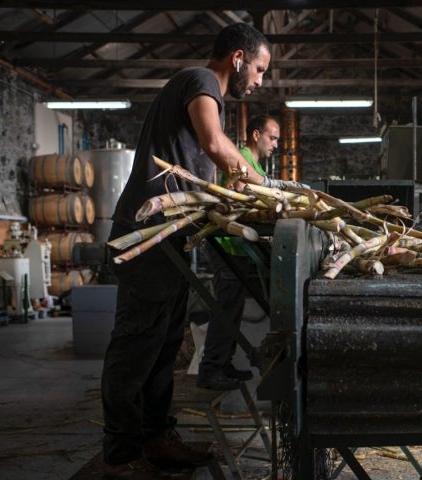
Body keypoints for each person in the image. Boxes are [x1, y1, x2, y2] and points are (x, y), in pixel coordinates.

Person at [101, 23, 300, 479]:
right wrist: (266, 186)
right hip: (145, 234)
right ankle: (120, 453)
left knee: (165, 344)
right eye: (261, 69)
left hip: (170, 236)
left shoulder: (207, 92)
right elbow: (215, 146)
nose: (261, 79)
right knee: (136, 346)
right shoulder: (201, 81)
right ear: (237, 58)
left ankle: (156, 436)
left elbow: (207, 170)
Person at [197, 114, 281, 391]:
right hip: (227, 246)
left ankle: (224, 363)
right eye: (272, 137)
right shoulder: (241, 157)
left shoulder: (253, 163)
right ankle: (210, 369)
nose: (276, 144)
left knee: (233, 309)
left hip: (239, 248)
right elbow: (238, 195)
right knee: (226, 309)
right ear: (256, 135)